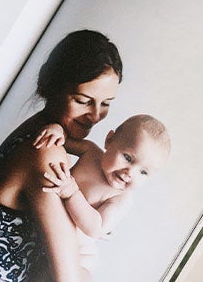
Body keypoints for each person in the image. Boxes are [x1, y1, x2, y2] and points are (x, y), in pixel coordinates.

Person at [0, 29, 123, 282]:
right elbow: (67, 279)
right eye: (83, 100)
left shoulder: (39, 128)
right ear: (54, 87)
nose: (94, 116)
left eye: (106, 103)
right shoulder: (46, 151)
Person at [37, 114, 171, 276]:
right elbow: (63, 143)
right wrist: (58, 131)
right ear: (109, 140)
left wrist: (73, 193)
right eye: (128, 158)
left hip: (78, 256)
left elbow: (95, 228)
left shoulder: (121, 198)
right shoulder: (90, 151)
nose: (130, 172)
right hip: (46, 234)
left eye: (143, 172)